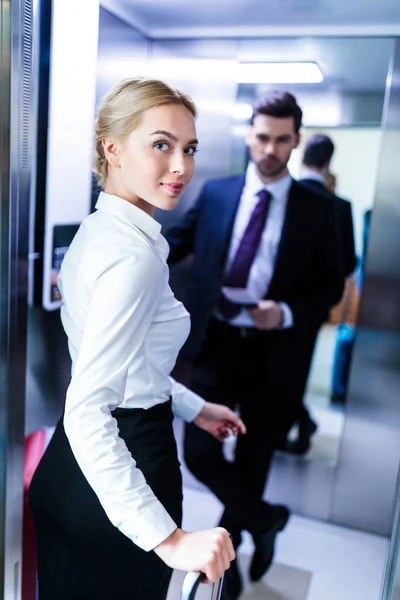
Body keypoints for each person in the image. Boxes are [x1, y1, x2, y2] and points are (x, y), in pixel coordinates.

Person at [28, 78, 245, 600]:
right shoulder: (132, 258)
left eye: (189, 149)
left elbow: (130, 363)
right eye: (162, 145)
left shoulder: (99, 231)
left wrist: (192, 407)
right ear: (113, 148)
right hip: (123, 466)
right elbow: (90, 410)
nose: (181, 166)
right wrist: (167, 540)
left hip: (74, 472)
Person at [166, 90, 344, 600]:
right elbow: (179, 244)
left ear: (296, 141)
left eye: (281, 140)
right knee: (200, 452)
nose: (269, 149)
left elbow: (330, 285)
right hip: (218, 341)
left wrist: (284, 312)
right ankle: (265, 521)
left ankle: (228, 566)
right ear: (249, 134)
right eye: (262, 137)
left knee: (253, 460)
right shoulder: (219, 192)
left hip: (277, 354)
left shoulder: (318, 209)